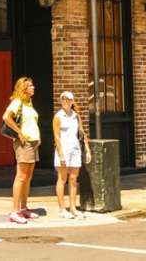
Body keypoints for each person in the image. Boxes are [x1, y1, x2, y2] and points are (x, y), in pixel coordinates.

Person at [3, 76, 40, 224]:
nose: (33, 87)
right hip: (23, 143)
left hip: (32, 142)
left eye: (32, 85)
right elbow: (6, 117)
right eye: (30, 85)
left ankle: (24, 208)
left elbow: (31, 122)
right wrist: (19, 132)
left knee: (28, 176)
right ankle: (15, 210)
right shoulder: (17, 101)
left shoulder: (29, 102)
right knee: (21, 176)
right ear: (23, 88)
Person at [52, 90, 91, 219]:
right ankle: (62, 209)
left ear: (72, 101)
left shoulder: (76, 116)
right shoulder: (58, 116)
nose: (65, 102)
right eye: (63, 99)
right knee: (62, 179)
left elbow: (82, 133)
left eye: (67, 99)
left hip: (75, 149)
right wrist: (61, 154)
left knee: (73, 179)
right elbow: (57, 137)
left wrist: (87, 149)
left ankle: (73, 208)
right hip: (64, 149)